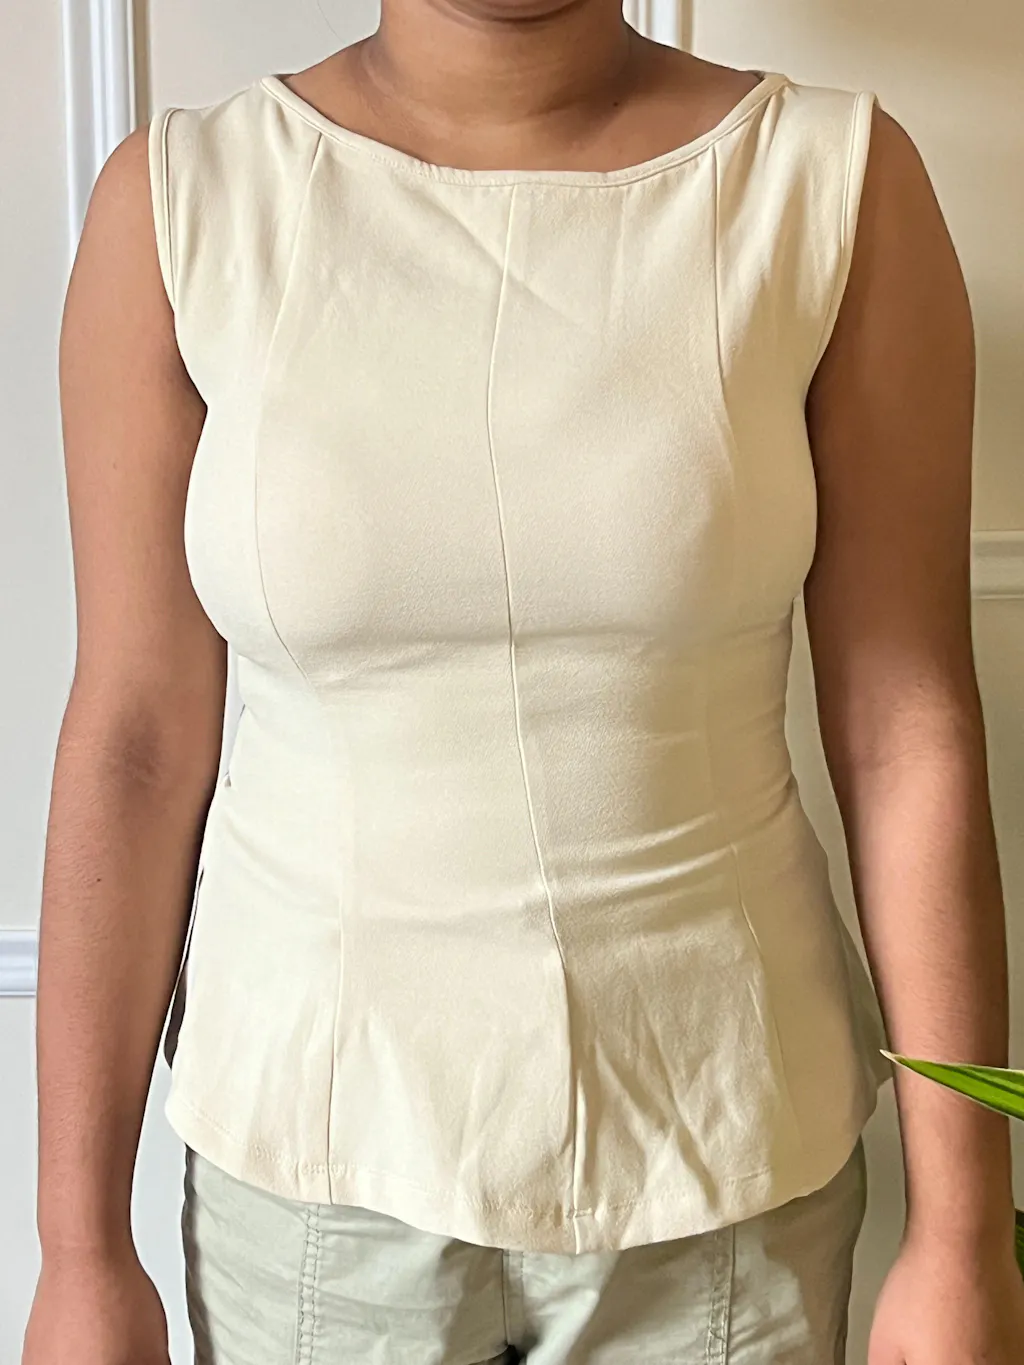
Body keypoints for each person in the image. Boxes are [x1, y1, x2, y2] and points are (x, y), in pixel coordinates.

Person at [20, 1, 1024, 1362]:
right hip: (309, 1186)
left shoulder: (831, 182)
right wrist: (79, 1249)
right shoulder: (183, 204)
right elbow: (135, 745)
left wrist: (964, 1232)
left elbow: (908, 730)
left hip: (724, 1176)